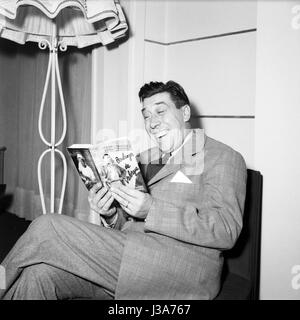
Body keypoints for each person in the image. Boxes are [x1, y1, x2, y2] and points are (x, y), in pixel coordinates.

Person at [0, 80, 247, 300]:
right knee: (39, 274)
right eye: (146, 116)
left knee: (47, 226)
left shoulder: (222, 157)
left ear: (184, 112)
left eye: (160, 111)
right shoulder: (144, 158)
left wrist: (152, 209)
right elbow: (128, 224)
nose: (152, 123)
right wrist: (109, 213)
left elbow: (226, 229)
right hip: (129, 259)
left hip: (178, 270)